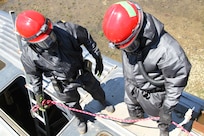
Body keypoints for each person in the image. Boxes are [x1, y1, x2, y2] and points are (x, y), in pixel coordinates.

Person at [15, 10, 114, 134]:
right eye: (45, 41)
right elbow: (34, 76)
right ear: (31, 42)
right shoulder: (28, 56)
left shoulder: (67, 30)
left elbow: (87, 38)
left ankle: (103, 102)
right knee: (72, 104)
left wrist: (97, 58)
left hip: (82, 72)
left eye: (51, 35)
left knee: (96, 89)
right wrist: (39, 95)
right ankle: (80, 120)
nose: (51, 40)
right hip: (62, 84)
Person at [102, 1, 191, 136]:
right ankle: (135, 116)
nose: (126, 50)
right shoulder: (126, 35)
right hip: (131, 85)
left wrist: (166, 110)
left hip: (154, 94)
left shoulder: (169, 52)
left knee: (160, 115)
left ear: (138, 33)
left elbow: (176, 82)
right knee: (131, 103)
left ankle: (163, 129)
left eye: (128, 46)